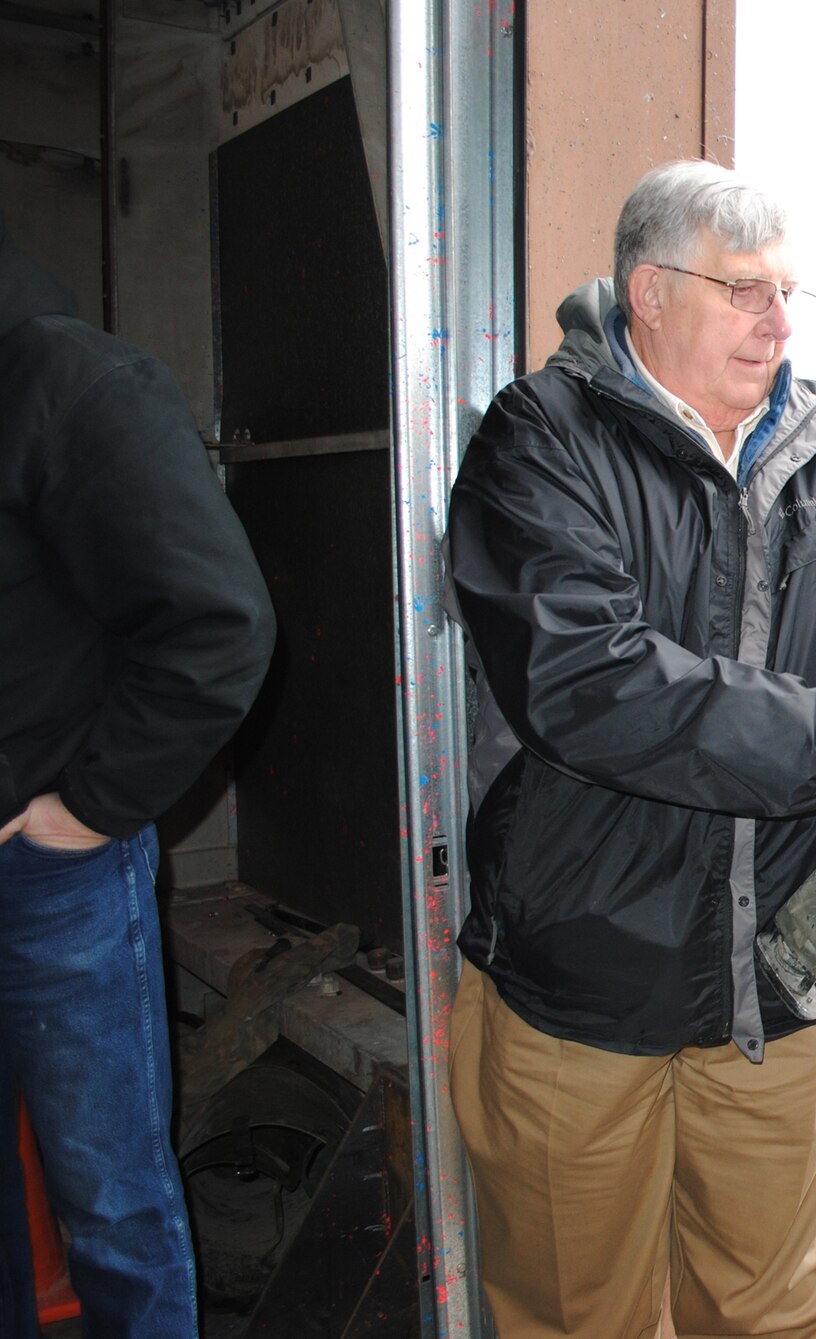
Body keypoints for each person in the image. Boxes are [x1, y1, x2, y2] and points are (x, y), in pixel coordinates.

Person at [444, 160, 816, 1339]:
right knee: (572, 1313)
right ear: (648, 291)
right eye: (745, 290)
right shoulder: (540, 437)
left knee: (776, 1314)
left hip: (788, 987)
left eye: (790, 293)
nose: (779, 322)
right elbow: (586, 680)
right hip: (579, 988)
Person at [0, 212, 277, 1335]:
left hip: (48, 872)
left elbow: (219, 628)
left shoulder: (72, 383)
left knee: (111, 1200)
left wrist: (81, 814)